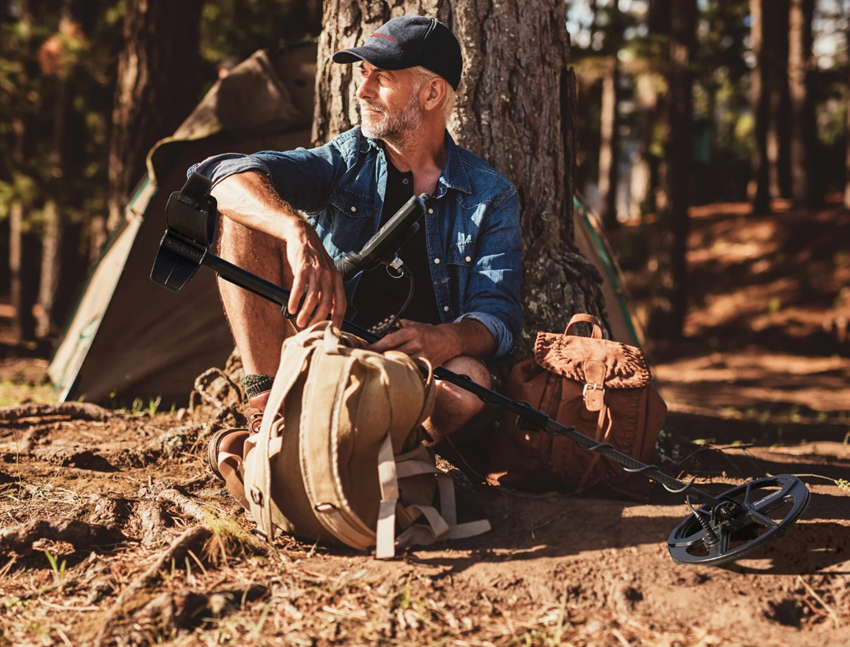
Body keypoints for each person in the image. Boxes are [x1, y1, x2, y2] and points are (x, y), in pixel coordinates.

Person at [191, 16, 522, 464]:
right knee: (249, 216)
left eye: (380, 78)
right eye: (361, 74)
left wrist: (447, 337)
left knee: (468, 383)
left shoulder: (490, 194)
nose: (362, 91)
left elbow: (498, 316)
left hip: (415, 375)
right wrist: (296, 230)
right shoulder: (345, 158)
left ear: (432, 93)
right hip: (323, 352)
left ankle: (394, 457)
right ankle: (267, 418)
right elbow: (222, 173)